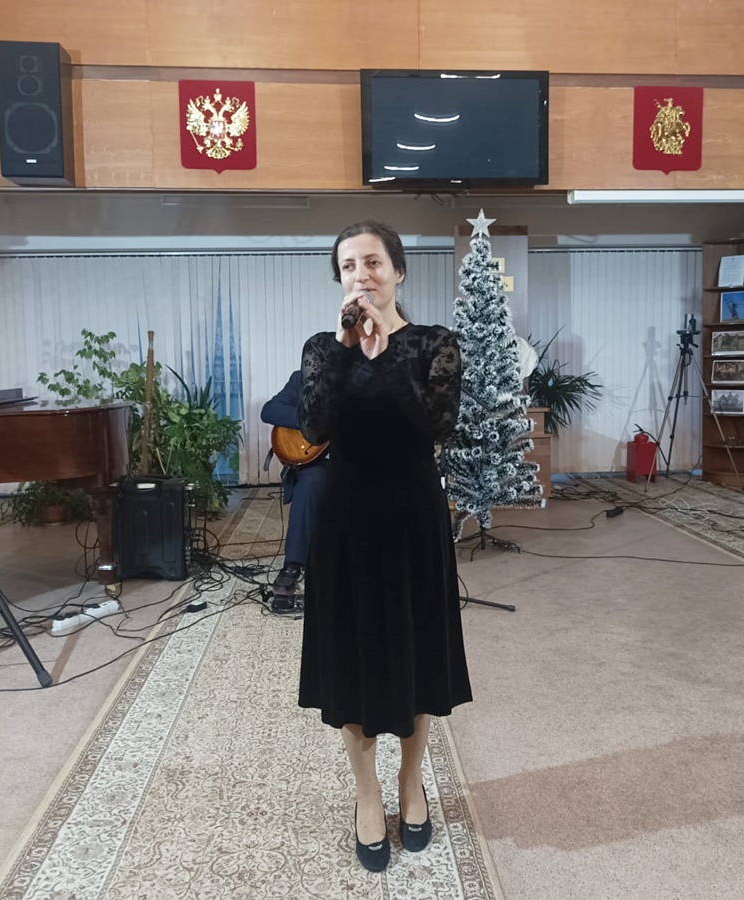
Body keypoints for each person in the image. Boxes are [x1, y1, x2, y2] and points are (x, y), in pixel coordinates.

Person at [297, 220, 472, 872]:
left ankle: (410, 779)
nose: (361, 275)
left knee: (416, 654)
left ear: (398, 271)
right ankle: (367, 792)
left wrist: (385, 348)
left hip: (412, 520)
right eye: (349, 266)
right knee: (353, 659)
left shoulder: (434, 343)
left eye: (372, 262)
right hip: (346, 524)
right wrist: (350, 348)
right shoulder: (324, 348)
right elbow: (314, 427)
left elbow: (437, 425)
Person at [260, 371, 327, 609]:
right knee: (310, 482)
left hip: (353, 465)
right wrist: (313, 421)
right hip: (314, 463)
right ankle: (292, 566)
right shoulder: (302, 379)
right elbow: (269, 411)